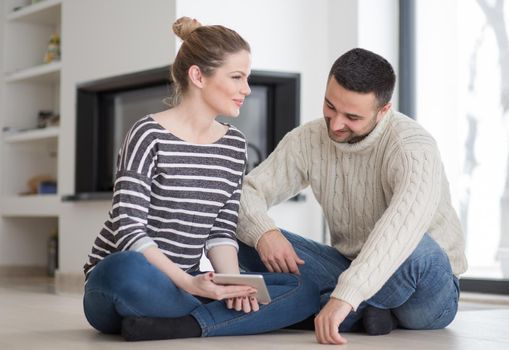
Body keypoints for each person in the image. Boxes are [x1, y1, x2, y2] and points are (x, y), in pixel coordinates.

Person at [82, 17, 319, 342]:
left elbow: (221, 229)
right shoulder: (147, 134)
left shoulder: (234, 145)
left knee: (303, 288)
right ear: (198, 76)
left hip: (188, 282)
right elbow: (129, 231)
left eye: (247, 78)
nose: (246, 90)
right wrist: (190, 284)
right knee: (125, 269)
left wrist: (233, 283)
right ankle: (225, 317)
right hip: (124, 281)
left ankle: (184, 325)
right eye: (236, 77)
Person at [236, 48, 468, 345]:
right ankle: (365, 312)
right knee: (241, 229)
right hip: (349, 267)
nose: (335, 124)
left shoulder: (412, 146)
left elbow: (402, 231)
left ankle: (329, 308)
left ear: (383, 110)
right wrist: (264, 232)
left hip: (426, 290)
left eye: (352, 117)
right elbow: (245, 192)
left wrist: (346, 295)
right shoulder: (308, 139)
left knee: (419, 248)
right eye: (330, 106)